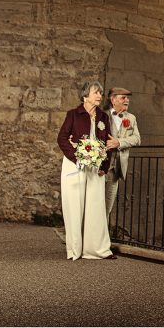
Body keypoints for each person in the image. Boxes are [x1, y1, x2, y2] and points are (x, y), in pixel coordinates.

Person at [56, 81, 116, 260]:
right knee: (74, 205)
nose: (99, 96)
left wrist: (104, 167)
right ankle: (75, 250)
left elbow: (108, 143)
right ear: (85, 96)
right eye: (96, 92)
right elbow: (62, 138)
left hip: (96, 167)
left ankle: (97, 249)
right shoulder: (73, 115)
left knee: (96, 207)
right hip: (74, 166)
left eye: (100, 93)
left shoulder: (103, 117)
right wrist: (77, 157)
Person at [104, 87, 142, 218]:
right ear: (113, 100)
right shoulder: (102, 115)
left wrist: (119, 142)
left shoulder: (131, 118)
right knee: (94, 203)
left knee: (108, 206)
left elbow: (137, 139)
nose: (127, 100)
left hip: (117, 169)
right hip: (101, 166)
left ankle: (102, 237)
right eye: (123, 97)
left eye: (128, 98)